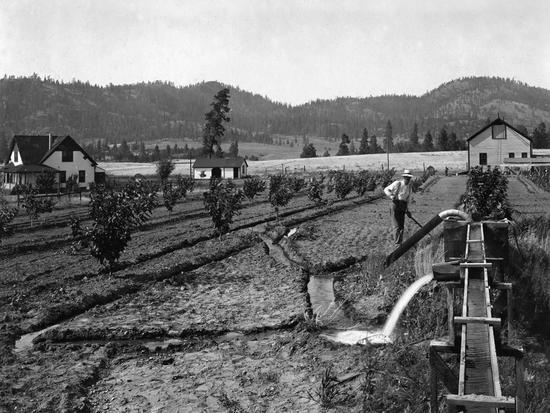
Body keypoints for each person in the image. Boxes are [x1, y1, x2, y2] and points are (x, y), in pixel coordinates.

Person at [384, 169, 414, 245]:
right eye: (406, 177)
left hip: (403, 207)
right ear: (403, 177)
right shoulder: (397, 183)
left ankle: (400, 243)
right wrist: (391, 196)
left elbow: (408, 200)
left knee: (401, 226)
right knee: (396, 226)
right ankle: (397, 244)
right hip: (395, 205)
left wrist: (408, 211)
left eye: (409, 178)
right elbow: (386, 189)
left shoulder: (409, 188)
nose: (407, 179)